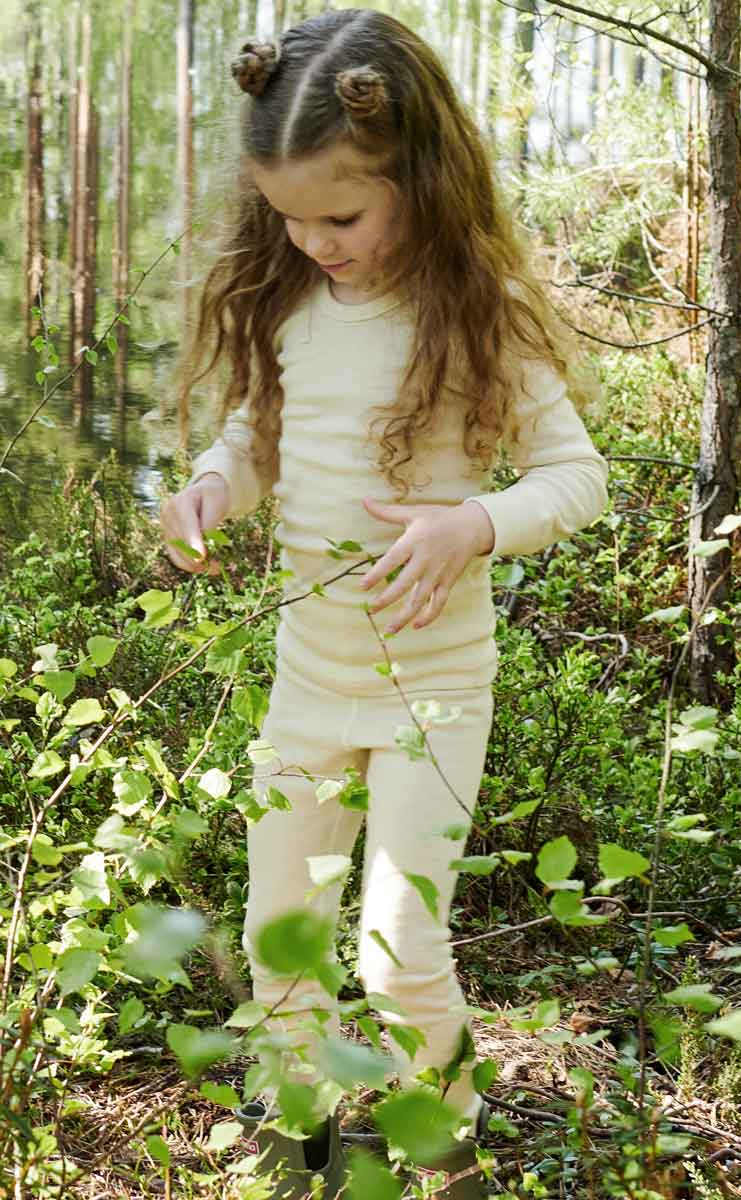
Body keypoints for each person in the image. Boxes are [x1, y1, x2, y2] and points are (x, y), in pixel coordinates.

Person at [161, 9, 608, 1198]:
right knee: (282, 940)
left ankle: (442, 1152)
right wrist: (215, 482)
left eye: (340, 215)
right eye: (288, 215)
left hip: (435, 692)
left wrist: (476, 524)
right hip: (309, 685)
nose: (311, 240)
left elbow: (578, 477)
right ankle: (295, 1136)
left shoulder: (480, 310)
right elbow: (257, 432)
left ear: (418, 173)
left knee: (402, 947)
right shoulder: (292, 299)